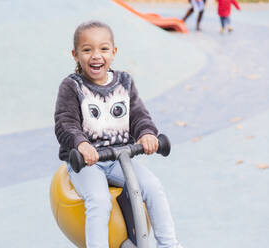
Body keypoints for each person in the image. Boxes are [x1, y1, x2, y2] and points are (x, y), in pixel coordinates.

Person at [54, 20, 183, 248]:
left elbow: (138, 115)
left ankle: (169, 244)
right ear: (75, 55)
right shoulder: (71, 86)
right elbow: (66, 123)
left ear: (113, 53)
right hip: (87, 162)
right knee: (99, 200)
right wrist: (81, 144)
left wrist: (146, 134)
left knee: (153, 187)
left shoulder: (124, 82)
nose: (96, 56)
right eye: (87, 50)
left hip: (118, 160)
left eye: (103, 49)